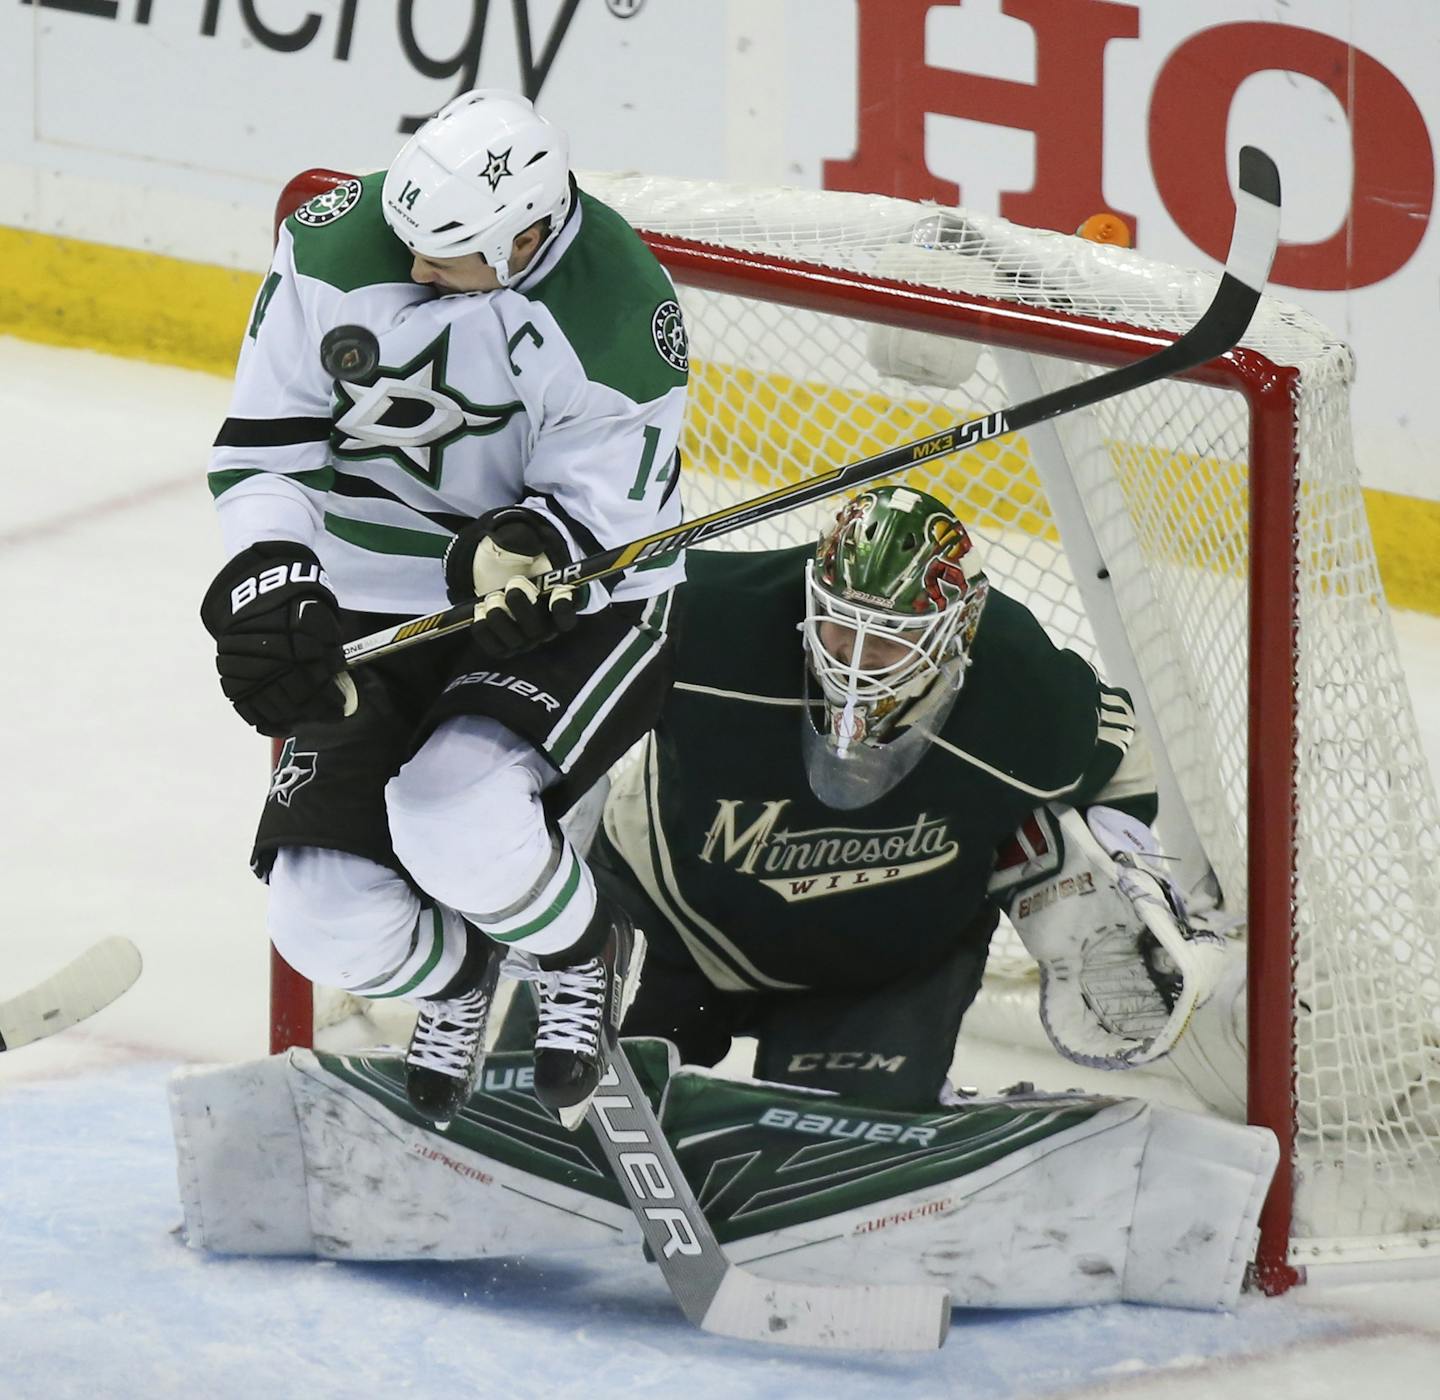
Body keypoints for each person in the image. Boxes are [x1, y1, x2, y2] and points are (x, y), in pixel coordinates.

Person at [199, 89, 688, 1129]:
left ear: (527, 235)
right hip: (381, 603)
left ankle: (577, 945)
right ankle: (462, 977)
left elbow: (598, 518)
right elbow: (265, 452)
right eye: (410, 239)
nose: (414, 268)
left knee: (451, 812)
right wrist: (275, 575)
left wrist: (535, 549)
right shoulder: (333, 246)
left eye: (447, 255)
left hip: (579, 605)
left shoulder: (618, 314)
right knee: (319, 920)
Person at [532, 484, 1226, 1110]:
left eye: (890, 638)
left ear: (960, 623)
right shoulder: (713, 616)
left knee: (830, 1144)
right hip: (675, 928)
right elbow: (575, 664)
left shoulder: (1024, 690)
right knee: (540, 1099)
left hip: (881, 975)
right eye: (838, 624)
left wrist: (1113, 852)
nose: (854, 657)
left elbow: (1126, 751)